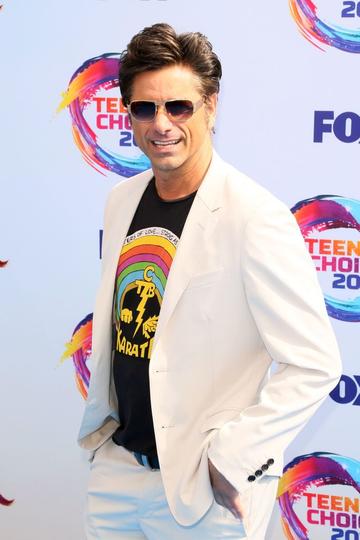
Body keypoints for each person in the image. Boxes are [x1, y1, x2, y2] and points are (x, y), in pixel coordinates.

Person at [78, 23, 341, 539]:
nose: (162, 124)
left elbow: (314, 364)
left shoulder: (254, 216)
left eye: (179, 107)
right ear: (128, 113)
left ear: (211, 107)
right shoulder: (121, 200)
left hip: (203, 494)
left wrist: (231, 459)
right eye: (145, 108)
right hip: (116, 473)